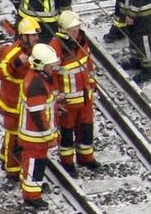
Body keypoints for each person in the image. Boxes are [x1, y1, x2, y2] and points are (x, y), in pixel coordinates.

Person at [49, 10, 100, 177]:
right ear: (64, 30)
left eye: (77, 28)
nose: (76, 32)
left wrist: (93, 85)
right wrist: (57, 97)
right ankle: (67, 162)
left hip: (85, 98)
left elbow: (88, 65)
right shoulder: (56, 47)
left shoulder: (82, 42)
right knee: (66, 133)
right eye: (73, 29)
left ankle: (86, 157)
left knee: (86, 129)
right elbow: (51, 75)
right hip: (68, 102)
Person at [0, 17, 40, 182]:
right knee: (13, 136)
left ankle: (4, 157)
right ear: (24, 36)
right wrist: (16, 64)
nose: (36, 38)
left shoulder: (35, 50)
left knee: (14, 135)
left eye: (36, 35)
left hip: (23, 102)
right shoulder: (13, 52)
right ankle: (12, 171)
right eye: (32, 35)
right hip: (12, 103)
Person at [17, 43, 60, 210]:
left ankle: (30, 187)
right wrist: (49, 136)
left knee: (31, 163)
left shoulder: (37, 78)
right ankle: (32, 196)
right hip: (35, 136)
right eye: (51, 65)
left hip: (32, 134)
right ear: (41, 65)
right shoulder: (37, 84)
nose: (53, 68)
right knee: (35, 164)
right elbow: (38, 115)